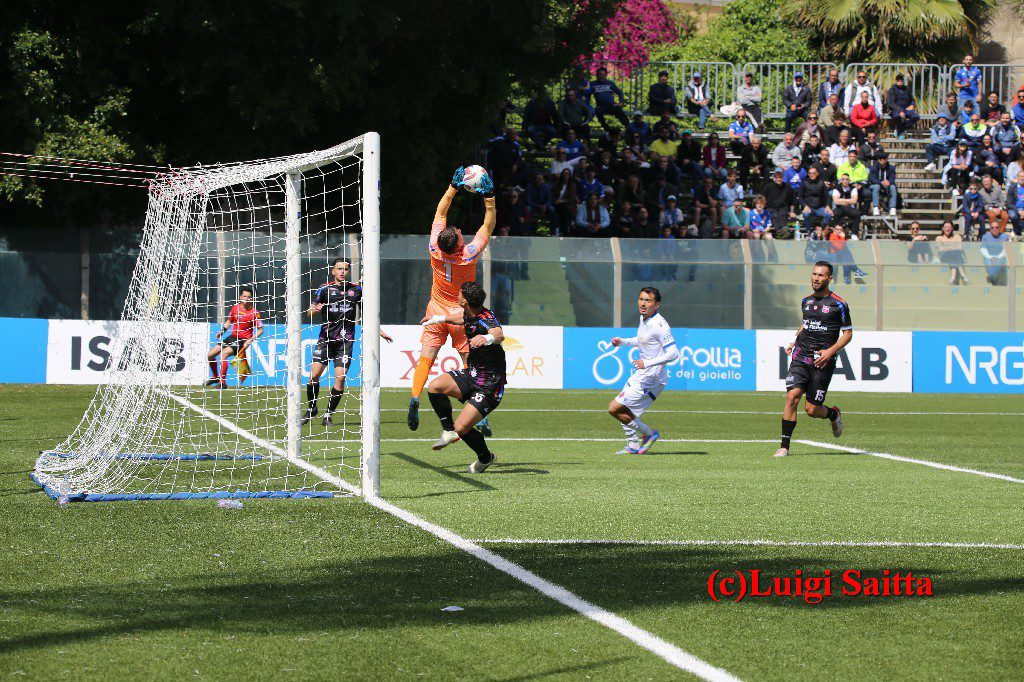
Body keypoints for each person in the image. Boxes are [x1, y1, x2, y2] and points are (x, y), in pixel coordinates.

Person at [407, 168, 496, 432]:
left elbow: (440, 213)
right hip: (460, 313)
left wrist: (453, 186)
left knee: (426, 358)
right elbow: (488, 224)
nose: (458, 229)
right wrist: (489, 197)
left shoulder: (435, 248)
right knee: (469, 362)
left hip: (435, 309)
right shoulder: (468, 254)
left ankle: (414, 398)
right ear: (458, 244)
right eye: (458, 232)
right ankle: (477, 412)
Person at [422, 282, 505, 473]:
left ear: (465, 301)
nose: (456, 297)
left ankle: (485, 458)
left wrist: (487, 338)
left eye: (459, 295)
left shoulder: (486, 319)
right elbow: (461, 319)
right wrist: (437, 319)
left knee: (463, 427)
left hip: (490, 384)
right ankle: (448, 430)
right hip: (472, 374)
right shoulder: (469, 313)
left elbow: (499, 334)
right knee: (435, 387)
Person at [775, 261, 852, 458]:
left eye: (821, 275)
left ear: (830, 279)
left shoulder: (839, 304)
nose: (816, 278)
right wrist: (794, 340)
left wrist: (830, 351)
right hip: (801, 356)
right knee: (792, 396)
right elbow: (805, 324)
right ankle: (784, 447)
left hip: (822, 362)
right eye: (814, 274)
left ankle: (833, 414)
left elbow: (848, 334)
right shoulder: (806, 302)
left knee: (811, 409)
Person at [303, 259, 393, 426]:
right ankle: (312, 408)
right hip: (326, 339)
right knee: (314, 375)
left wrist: (379, 332)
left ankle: (328, 415)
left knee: (340, 377)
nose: (343, 271)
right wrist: (315, 309)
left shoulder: (356, 290)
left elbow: (368, 314)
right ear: (333, 271)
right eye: (340, 269)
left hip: (346, 340)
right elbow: (309, 312)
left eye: (346, 269)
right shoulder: (324, 289)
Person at [608, 287, 679, 455]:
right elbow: (642, 340)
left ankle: (649, 434)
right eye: (641, 299)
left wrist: (647, 363)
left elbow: (673, 353)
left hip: (652, 378)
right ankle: (633, 445)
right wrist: (622, 342)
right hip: (642, 375)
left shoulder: (660, 325)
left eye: (648, 300)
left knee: (615, 408)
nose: (643, 303)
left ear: (657, 304)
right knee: (624, 409)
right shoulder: (644, 319)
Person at [206, 287, 263, 388]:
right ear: (241, 297)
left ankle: (223, 383)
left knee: (223, 355)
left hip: (242, 340)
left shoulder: (255, 312)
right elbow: (229, 321)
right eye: (244, 296)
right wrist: (222, 331)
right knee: (210, 355)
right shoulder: (235, 308)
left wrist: (250, 339)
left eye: (249, 297)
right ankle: (215, 377)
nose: (246, 298)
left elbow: (261, 329)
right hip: (232, 337)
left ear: (252, 298)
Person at [765, 169, 798, 238]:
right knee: (774, 216)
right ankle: (782, 231)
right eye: (777, 178)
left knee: (783, 215)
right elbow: (763, 199)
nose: (779, 179)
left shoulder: (787, 187)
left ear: (782, 178)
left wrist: (792, 212)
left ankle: (781, 232)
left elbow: (792, 200)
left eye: (780, 178)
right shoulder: (768, 187)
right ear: (774, 179)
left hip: (783, 207)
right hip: (771, 207)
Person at [801, 165, 833, 234]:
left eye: (813, 173)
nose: (812, 175)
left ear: (817, 174)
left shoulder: (821, 183)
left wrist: (828, 206)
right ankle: (809, 231)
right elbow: (800, 197)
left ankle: (821, 229)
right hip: (809, 207)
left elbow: (827, 196)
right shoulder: (804, 183)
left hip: (820, 207)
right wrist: (805, 206)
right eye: (810, 173)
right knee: (805, 214)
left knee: (828, 214)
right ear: (808, 174)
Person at [886, 74, 920, 139]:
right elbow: (891, 103)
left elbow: (912, 100)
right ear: (896, 81)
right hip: (895, 110)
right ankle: (901, 132)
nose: (899, 81)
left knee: (916, 117)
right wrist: (900, 111)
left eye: (901, 80)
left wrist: (912, 105)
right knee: (898, 117)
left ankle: (901, 129)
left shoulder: (906, 89)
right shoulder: (892, 90)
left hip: (906, 109)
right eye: (898, 80)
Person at [936, 219, 969, 284]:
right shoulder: (939, 238)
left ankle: (953, 277)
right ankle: (963, 276)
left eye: (949, 227)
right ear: (943, 228)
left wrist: (946, 247)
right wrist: (954, 246)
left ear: (952, 228)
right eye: (946, 227)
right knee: (954, 253)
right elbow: (940, 250)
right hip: (944, 258)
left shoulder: (957, 236)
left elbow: (960, 248)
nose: (947, 229)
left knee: (954, 254)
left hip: (956, 257)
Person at [981, 218, 1010, 284]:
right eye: (992, 228)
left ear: (999, 228)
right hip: (989, 257)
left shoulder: (1005, 237)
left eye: (996, 227)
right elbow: (983, 249)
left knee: (998, 263)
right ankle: (993, 278)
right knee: (989, 264)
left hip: (1001, 257)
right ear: (990, 229)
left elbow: (1006, 250)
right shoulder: (985, 237)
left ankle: (994, 279)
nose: (995, 229)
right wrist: (991, 257)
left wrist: (997, 257)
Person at [869, 153, 898, 217]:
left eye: (885, 159)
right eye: (881, 159)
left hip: (887, 184)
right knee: (876, 186)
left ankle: (892, 208)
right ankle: (875, 207)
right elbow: (872, 179)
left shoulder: (891, 168)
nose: (883, 161)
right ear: (879, 160)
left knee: (893, 187)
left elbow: (892, 179)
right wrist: (881, 182)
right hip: (875, 185)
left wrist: (889, 182)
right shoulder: (873, 168)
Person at [1005, 170, 1024, 236]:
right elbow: (1009, 203)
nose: (1022, 178)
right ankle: (1018, 232)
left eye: (1023, 176)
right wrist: (1019, 211)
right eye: (1020, 176)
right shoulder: (1012, 188)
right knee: (1013, 216)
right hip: (1014, 208)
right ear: (1017, 178)